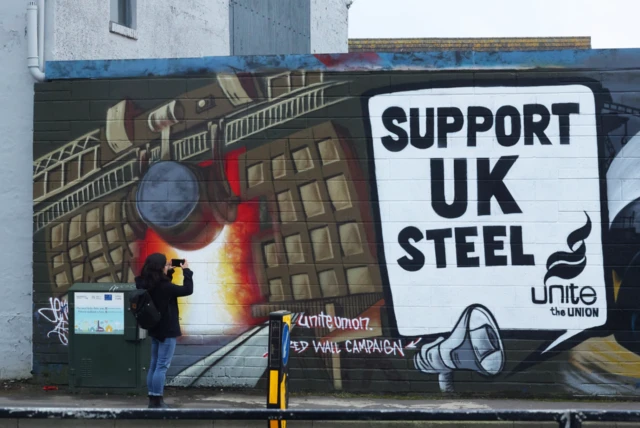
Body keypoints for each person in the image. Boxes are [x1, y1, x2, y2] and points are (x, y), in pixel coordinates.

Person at [135, 253, 194, 409]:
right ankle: (157, 400)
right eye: (166, 264)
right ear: (160, 267)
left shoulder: (143, 282)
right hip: (167, 330)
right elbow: (187, 289)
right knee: (162, 366)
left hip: (154, 328)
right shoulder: (165, 286)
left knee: (154, 365)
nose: (168, 265)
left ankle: (152, 400)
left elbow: (162, 288)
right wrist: (186, 271)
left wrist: (168, 272)